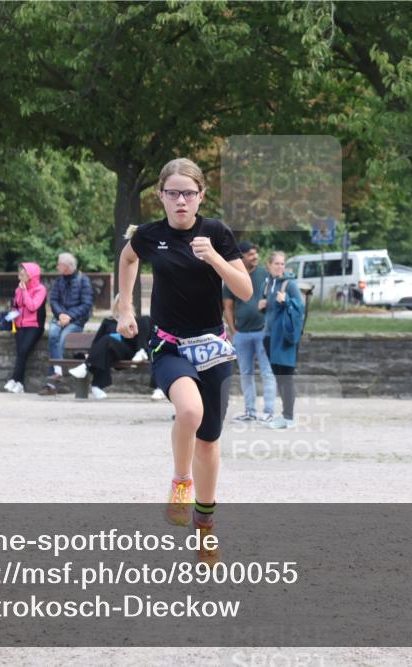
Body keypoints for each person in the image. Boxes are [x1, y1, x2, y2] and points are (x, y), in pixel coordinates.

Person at [117, 157, 250, 565]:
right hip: (168, 344)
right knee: (189, 410)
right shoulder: (149, 235)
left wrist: (213, 258)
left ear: (200, 196)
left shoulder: (216, 234)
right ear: (160, 195)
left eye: (188, 194)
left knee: (209, 442)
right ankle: (180, 482)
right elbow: (127, 260)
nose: (180, 201)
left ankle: (205, 528)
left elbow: (244, 290)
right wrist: (124, 308)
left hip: (211, 347)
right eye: (172, 193)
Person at [224, 240, 276, 422]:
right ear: (241, 256)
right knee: (246, 373)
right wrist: (233, 330)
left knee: (267, 372)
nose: (255, 257)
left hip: (263, 331)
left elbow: (275, 297)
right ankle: (250, 411)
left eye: (256, 253)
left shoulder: (265, 275)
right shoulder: (233, 277)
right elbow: (228, 306)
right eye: (251, 254)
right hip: (242, 334)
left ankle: (269, 411)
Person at [69, 296, 156, 400]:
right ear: (116, 305)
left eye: (127, 302)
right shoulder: (108, 321)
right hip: (114, 352)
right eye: (121, 303)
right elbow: (97, 342)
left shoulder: (136, 321)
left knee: (146, 319)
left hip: (132, 352)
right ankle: (96, 384)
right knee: (106, 341)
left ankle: (86, 366)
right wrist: (91, 353)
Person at [261, 251, 305, 430]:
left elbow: (300, 307)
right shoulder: (269, 283)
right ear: (269, 265)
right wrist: (263, 306)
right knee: (279, 377)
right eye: (276, 263)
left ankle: (289, 417)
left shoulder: (290, 284)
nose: (280, 266)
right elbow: (272, 312)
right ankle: (285, 415)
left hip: (284, 339)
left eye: (282, 263)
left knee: (286, 377)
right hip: (269, 337)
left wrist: (286, 299)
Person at [39, 252, 93, 395]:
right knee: (53, 335)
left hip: (77, 320)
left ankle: (54, 379)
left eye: (59, 264)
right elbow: (54, 300)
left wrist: (69, 316)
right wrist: (61, 314)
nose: (57, 266)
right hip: (60, 317)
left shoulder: (83, 280)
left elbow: (86, 304)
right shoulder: (59, 281)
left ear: (67, 266)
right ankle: (57, 372)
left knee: (63, 339)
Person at [5, 263, 47, 394]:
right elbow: (17, 306)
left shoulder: (40, 289)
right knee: (21, 353)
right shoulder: (19, 289)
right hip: (20, 325)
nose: (19, 277)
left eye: (22, 274)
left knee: (23, 351)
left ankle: (15, 380)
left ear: (31, 276)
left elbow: (32, 306)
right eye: (19, 274)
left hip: (34, 326)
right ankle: (19, 383)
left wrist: (24, 291)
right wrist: (11, 314)